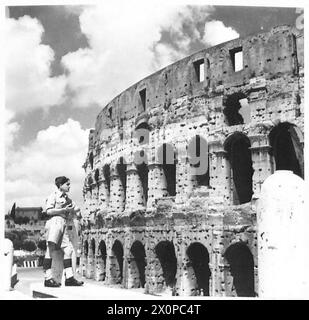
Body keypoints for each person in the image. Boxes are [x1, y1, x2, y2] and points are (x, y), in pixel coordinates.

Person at [42, 176, 84, 287]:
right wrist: (63, 210)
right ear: (60, 185)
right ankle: (47, 278)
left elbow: (76, 208)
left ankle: (69, 278)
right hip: (55, 223)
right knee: (50, 250)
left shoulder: (67, 199)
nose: (69, 186)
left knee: (68, 250)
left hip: (64, 224)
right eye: (67, 184)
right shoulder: (53, 196)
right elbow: (48, 211)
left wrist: (77, 212)